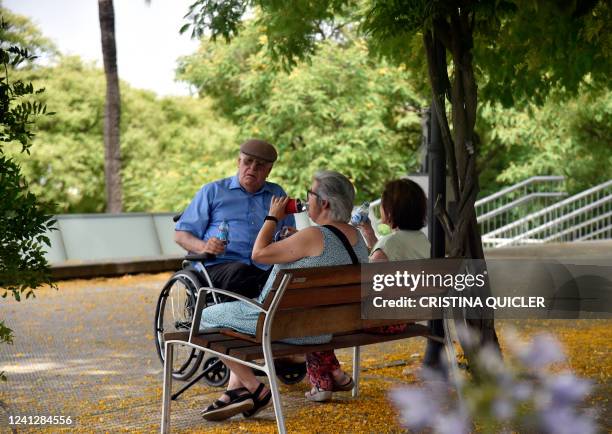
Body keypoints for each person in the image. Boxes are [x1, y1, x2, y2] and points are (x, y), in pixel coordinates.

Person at [198, 170, 369, 421]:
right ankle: (237, 389)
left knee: (203, 316)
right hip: (328, 328)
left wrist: (272, 217)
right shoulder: (357, 238)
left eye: (310, 193)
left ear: (324, 203)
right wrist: (294, 240)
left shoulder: (313, 235)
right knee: (232, 319)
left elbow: (258, 254)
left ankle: (255, 388)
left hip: (278, 325)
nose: (305, 199)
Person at [305, 178, 431, 401]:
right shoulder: (424, 241)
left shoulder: (389, 244)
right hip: (409, 315)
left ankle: (325, 379)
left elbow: (366, 283)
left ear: (390, 210)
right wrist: (369, 235)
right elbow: (388, 258)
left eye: (383, 203)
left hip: (382, 321)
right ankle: (333, 374)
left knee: (317, 320)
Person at [174, 139, 296, 298]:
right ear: (239, 162)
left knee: (293, 276)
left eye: (259, 165)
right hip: (218, 266)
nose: (252, 168)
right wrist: (204, 247)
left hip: (265, 267)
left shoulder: (277, 194)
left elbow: (288, 235)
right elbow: (181, 235)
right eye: (248, 162)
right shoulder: (213, 191)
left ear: (269, 170)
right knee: (242, 273)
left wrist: (290, 236)